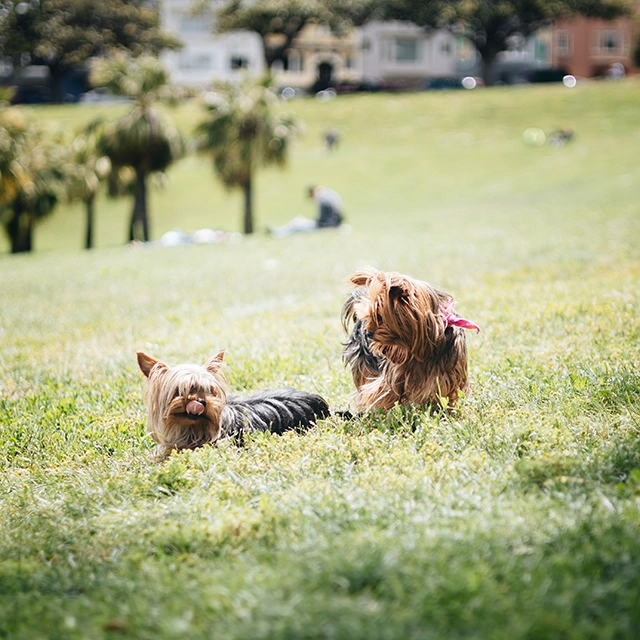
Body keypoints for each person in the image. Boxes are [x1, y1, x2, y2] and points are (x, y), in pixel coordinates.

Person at [269, 185, 344, 238]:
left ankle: (277, 234)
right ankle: (277, 232)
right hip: (332, 224)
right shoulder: (329, 195)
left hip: (324, 226)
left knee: (296, 223)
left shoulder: (322, 199)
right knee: (298, 222)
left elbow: (322, 220)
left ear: (313, 193)